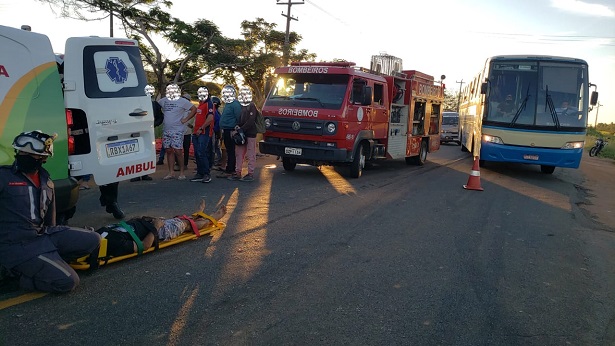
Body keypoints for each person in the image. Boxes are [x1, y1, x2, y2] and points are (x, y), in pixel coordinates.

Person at [0, 130, 101, 293]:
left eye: (30, 153)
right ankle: (17, 276)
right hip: (16, 246)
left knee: (94, 239)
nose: (23, 155)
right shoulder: (3, 177)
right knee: (68, 282)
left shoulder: (46, 180)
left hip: (43, 236)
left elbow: (50, 220)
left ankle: (47, 261)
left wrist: (56, 238)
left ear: (43, 158)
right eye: (21, 152)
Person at [94, 199, 226, 258]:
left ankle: (196, 214)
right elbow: (144, 246)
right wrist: (156, 227)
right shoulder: (115, 243)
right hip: (158, 232)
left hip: (147, 224)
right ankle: (212, 218)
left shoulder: (99, 233)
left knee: (179, 220)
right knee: (184, 225)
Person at [158, 84, 196, 180]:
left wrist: (186, 119)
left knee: (178, 151)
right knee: (168, 150)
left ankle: (182, 173)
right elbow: (156, 106)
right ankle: (171, 172)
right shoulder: (164, 100)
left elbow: (194, 109)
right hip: (166, 129)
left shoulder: (182, 101)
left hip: (178, 130)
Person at [184, 87, 214, 183]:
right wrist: (187, 121)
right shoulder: (200, 104)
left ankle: (206, 174)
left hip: (204, 133)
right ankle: (200, 173)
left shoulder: (209, 104)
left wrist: (202, 128)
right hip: (196, 132)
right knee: (197, 153)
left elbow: (210, 118)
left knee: (201, 152)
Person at [230, 86, 258, 182]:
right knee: (239, 154)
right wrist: (237, 128)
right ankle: (238, 172)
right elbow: (239, 119)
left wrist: (240, 129)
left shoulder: (252, 106)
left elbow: (251, 121)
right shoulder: (241, 106)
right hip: (242, 133)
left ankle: (250, 173)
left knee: (250, 154)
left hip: (250, 133)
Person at [132, 85, 159, 181]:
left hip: (149, 132)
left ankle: (145, 174)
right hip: (136, 132)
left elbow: (160, 117)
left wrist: (153, 124)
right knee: (135, 152)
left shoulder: (155, 104)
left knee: (148, 152)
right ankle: (135, 174)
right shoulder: (135, 104)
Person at [217, 85, 242, 178]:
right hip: (226, 130)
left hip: (231, 130)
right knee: (228, 150)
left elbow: (239, 117)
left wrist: (235, 129)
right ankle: (229, 168)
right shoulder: (228, 103)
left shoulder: (235, 104)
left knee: (231, 151)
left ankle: (230, 170)